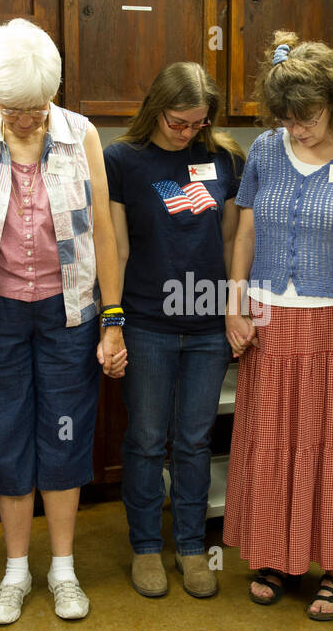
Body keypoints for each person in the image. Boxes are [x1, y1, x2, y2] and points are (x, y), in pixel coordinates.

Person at [0, 18, 126, 625]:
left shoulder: (81, 134)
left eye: (35, 107)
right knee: (3, 433)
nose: (24, 118)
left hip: (69, 311)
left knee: (65, 434)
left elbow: (103, 232)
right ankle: (16, 570)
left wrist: (112, 320)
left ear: (53, 94)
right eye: (12, 107)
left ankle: (62, 568)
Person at [224, 31, 333, 620]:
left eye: (308, 117)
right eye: (287, 119)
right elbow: (246, 233)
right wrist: (235, 302)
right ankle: (273, 556)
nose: (296, 130)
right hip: (273, 324)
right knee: (273, 445)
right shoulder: (268, 154)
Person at [105, 62, 245, 599]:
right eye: (177, 122)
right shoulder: (122, 160)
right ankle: (145, 546)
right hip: (148, 323)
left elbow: (233, 243)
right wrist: (112, 321)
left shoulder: (225, 158)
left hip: (209, 324)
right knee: (144, 440)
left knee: (193, 440)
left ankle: (189, 545)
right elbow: (116, 249)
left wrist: (234, 308)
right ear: (155, 106)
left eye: (197, 124)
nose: (186, 133)